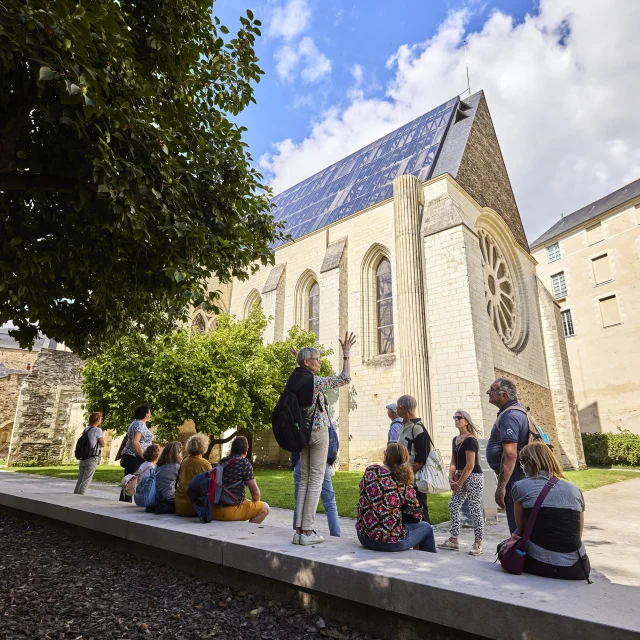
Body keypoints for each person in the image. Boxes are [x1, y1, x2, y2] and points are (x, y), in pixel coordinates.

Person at [288, 332, 356, 546]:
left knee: (305, 481)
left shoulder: (295, 378)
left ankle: (299, 531)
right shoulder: (314, 381)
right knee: (316, 480)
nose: (320, 361)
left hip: (302, 435)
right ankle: (307, 532)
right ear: (307, 362)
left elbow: (301, 378)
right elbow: (344, 378)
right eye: (316, 359)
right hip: (318, 433)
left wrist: (297, 359)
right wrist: (346, 355)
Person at [512, 441, 590, 581]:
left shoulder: (520, 487)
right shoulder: (574, 490)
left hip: (539, 563)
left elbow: (522, 528)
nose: (520, 465)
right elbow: (578, 534)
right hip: (576, 566)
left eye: (521, 461)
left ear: (529, 462)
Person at [356, 443, 436, 553]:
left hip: (364, 536)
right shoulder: (403, 484)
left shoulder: (370, 471)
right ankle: (430, 565)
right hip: (390, 542)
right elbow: (417, 515)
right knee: (426, 528)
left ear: (385, 456)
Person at [485, 378, 530, 533]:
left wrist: (501, 487)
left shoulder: (509, 416)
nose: (488, 392)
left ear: (503, 395)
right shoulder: (517, 411)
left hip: (515, 476)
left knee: (517, 523)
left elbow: (510, 454)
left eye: (491, 389)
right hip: (517, 474)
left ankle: (519, 553)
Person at [438, 410, 485, 555]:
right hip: (460, 476)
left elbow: (470, 465)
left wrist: (459, 483)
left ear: (466, 421)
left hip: (473, 477)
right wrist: (451, 477)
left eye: (459, 417)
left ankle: (478, 542)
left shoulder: (470, 440)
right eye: (455, 417)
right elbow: (453, 461)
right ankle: (453, 539)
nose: (456, 420)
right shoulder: (455, 439)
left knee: (474, 508)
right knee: (453, 505)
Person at [210, 436, 270, 524]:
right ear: (245, 451)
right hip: (228, 512)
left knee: (247, 501)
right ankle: (246, 532)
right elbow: (255, 493)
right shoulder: (244, 463)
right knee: (265, 508)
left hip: (213, 510)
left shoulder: (222, 461)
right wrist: (256, 502)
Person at [396, 395, 432, 523]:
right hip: (404, 481)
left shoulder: (417, 428)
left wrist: (404, 475)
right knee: (406, 515)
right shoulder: (403, 426)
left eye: (397, 406)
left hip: (415, 482)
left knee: (420, 514)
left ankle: (426, 542)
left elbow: (421, 460)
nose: (396, 409)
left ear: (404, 408)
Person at [291, 450, 340, 537]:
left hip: (300, 459)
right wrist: (331, 460)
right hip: (320, 460)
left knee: (299, 501)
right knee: (329, 502)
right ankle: (335, 536)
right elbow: (333, 440)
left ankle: (298, 534)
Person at [119, 404, 154, 502]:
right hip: (134, 456)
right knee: (131, 480)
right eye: (149, 411)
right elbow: (135, 442)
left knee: (129, 478)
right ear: (146, 413)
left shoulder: (137, 423)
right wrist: (144, 455)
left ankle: (125, 499)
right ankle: (126, 501)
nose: (150, 413)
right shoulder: (139, 424)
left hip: (131, 455)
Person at [175, 433, 212, 516]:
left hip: (179, 503)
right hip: (194, 506)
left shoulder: (185, 461)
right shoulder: (205, 464)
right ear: (204, 447)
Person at [74, 412, 105, 495]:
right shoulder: (98, 430)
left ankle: (75, 495)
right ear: (98, 419)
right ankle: (81, 496)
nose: (101, 420)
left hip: (83, 457)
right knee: (86, 479)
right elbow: (102, 444)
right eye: (101, 418)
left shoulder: (86, 429)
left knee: (80, 479)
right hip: (92, 457)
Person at [153, 441, 182, 514]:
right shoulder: (176, 466)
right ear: (177, 453)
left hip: (157, 496)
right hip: (170, 497)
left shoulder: (159, 466)